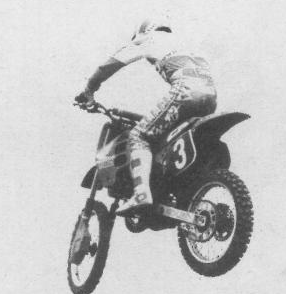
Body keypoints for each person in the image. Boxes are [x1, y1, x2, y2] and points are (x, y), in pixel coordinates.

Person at [74, 17, 218, 215]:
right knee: (163, 138)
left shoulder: (147, 38)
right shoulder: (186, 43)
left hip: (186, 91)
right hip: (210, 96)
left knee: (138, 136)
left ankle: (141, 193)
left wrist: (89, 89)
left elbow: (108, 66)